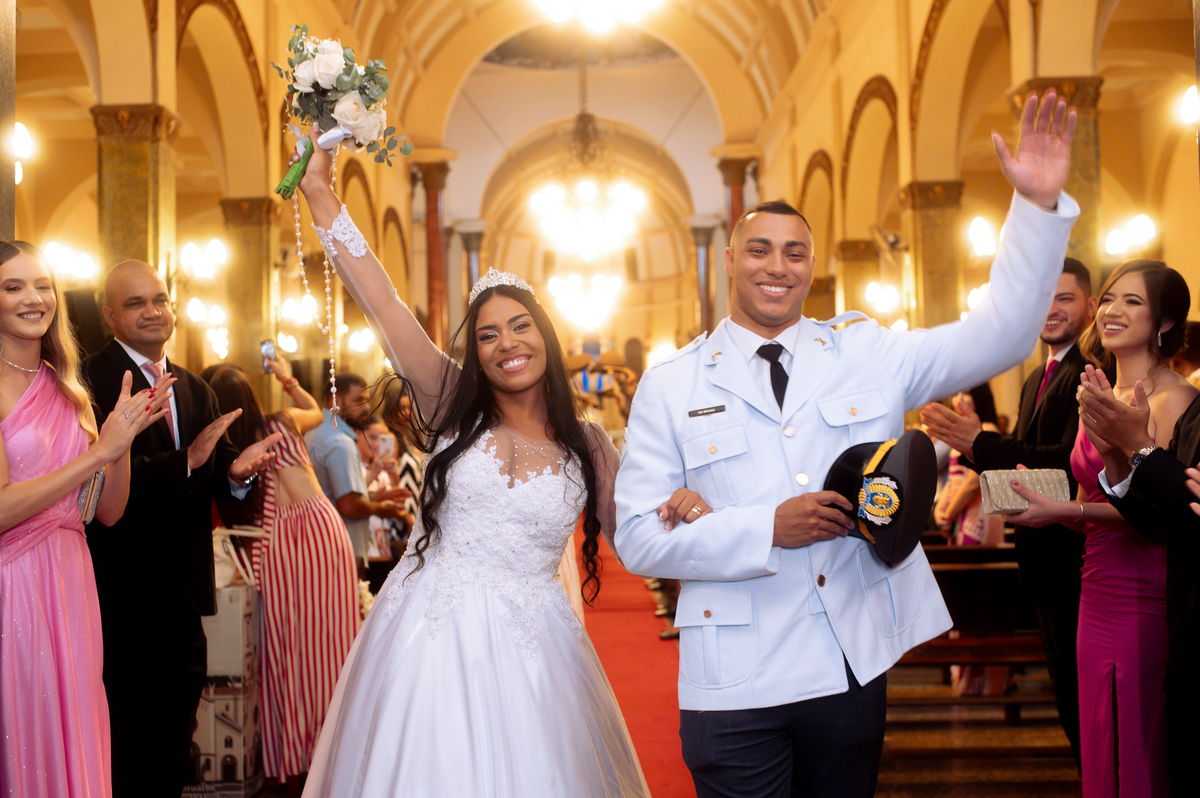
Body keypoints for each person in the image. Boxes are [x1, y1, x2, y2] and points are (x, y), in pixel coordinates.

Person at [613, 90, 1079, 797]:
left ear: (811, 265)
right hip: (733, 678)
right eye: (760, 250)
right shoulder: (672, 384)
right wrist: (765, 528)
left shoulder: (867, 353)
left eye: (795, 252)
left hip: (846, 661)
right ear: (730, 260)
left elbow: (1004, 335)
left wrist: (1037, 210)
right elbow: (639, 540)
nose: (778, 266)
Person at [291, 129, 675, 797]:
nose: (506, 344)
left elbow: (637, 541)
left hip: (538, 649)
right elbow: (383, 302)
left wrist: (687, 508)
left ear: (546, 336)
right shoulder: (452, 403)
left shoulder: (588, 443)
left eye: (521, 326)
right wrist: (321, 192)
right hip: (430, 638)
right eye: (489, 334)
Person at [84, 259, 279, 798]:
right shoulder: (89, 380)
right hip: (119, 596)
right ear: (109, 316)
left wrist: (237, 474)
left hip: (185, 599)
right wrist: (185, 461)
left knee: (173, 745)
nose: (153, 311)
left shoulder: (194, 387)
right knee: (121, 744)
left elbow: (216, 463)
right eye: (135, 303)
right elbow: (93, 479)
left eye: (160, 300)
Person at [1006, 259, 1194, 798]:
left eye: (1132, 301)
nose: (1113, 310)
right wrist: (1051, 505)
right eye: (1109, 298)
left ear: (1163, 321)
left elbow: (1159, 513)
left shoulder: (1175, 398)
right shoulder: (1099, 392)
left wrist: (1069, 512)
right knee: (1096, 728)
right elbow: (1093, 496)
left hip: (1145, 586)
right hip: (1095, 582)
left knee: (1137, 732)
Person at [0, 241, 173, 798]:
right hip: (14, 581)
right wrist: (99, 453)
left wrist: (121, 442)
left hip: (73, 579)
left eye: (43, 285)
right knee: (25, 727)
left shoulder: (67, 387)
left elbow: (106, 510)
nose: (34, 298)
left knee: (77, 723)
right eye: (13, 287)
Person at [921, 257, 1095, 764]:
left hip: (1075, 557)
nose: (1051, 309)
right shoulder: (1037, 375)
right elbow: (1020, 465)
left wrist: (980, 442)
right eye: (1044, 298)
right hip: (1039, 557)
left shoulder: (1090, 371)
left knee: (1083, 700)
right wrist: (976, 448)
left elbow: (1065, 465)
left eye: (1065, 298)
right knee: (1068, 696)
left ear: (1089, 306)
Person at [206, 360, 360, 793]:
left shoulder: (226, 448)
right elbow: (316, 411)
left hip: (277, 543)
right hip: (324, 533)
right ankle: (336, 751)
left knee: (285, 652)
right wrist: (286, 379)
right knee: (332, 648)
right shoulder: (281, 421)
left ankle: (294, 759)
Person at [306, 373, 405, 568]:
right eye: (358, 400)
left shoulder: (317, 431)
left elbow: (332, 496)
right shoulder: (340, 442)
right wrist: (381, 509)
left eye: (366, 400)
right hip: (340, 549)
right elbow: (349, 506)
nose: (366, 407)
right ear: (336, 401)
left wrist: (374, 497)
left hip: (322, 544)